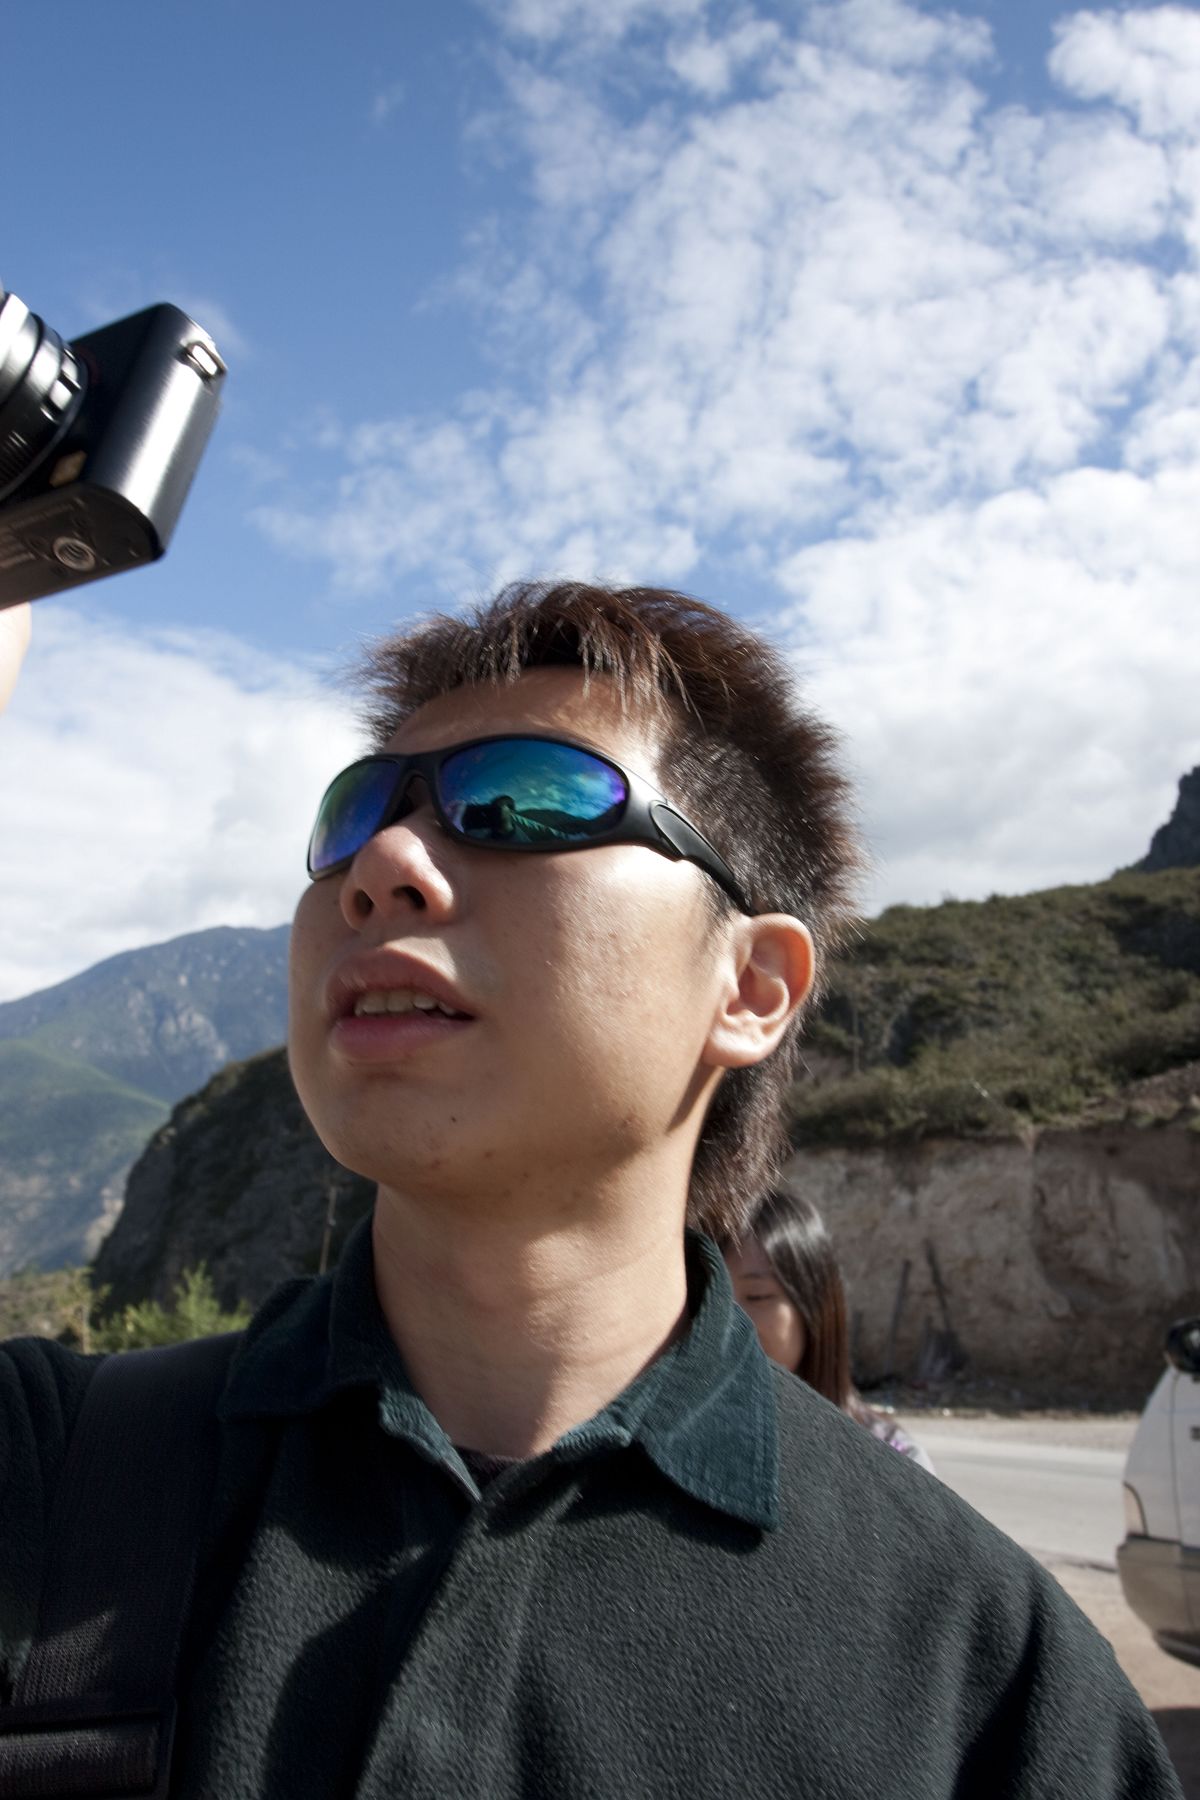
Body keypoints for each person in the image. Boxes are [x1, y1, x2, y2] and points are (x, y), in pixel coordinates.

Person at [0, 583, 1184, 1798]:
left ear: (751, 988)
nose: (383, 864)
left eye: (525, 798)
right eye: (354, 815)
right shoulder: (54, 1473)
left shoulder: (986, 1678)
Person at [724, 1188, 935, 1472]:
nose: (728, 1319)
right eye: (711, 1295)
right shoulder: (677, 1447)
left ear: (814, 1307)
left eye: (757, 1296)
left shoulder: (893, 1461)